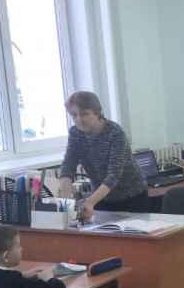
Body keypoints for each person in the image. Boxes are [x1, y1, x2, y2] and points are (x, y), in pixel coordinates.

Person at [58, 91, 149, 220]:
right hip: (101, 197)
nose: (79, 119)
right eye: (74, 115)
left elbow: (113, 176)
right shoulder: (75, 133)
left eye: (84, 114)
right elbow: (67, 167)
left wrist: (89, 202)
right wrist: (66, 202)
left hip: (132, 196)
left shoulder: (115, 133)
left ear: (97, 112)